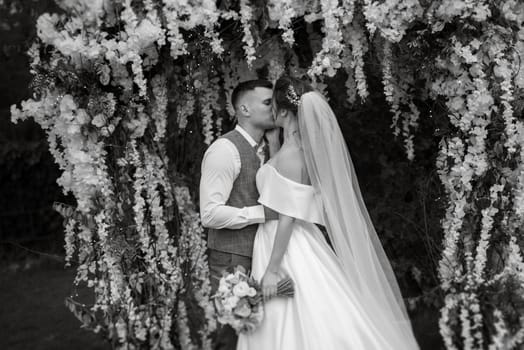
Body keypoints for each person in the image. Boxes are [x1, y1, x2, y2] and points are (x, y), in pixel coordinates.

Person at [236, 76, 420, 349]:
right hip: (297, 239)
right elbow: (284, 188)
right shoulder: (293, 150)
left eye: (272, 104)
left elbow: (287, 215)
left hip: (283, 243)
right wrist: (274, 143)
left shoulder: (291, 155)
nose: (270, 111)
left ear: (284, 111)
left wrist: (273, 269)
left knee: (293, 315)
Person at [199, 79, 280, 350]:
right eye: (268, 102)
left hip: (263, 254)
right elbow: (210, 215)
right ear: (244, 109)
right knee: (235, 331)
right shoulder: (225, 150)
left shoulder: (271, 149)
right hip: (232, 259)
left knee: (262, 335)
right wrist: (262, 213)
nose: (275, 107)